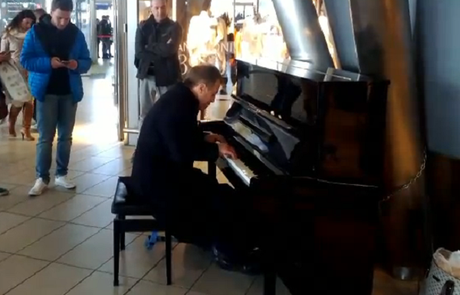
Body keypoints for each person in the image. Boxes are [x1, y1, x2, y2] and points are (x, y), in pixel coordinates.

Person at [131, 65, 262, 272]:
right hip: (157, 186)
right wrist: (216, 149)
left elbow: (180, 134)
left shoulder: (180, 98)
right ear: (201, 88)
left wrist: (205, 137)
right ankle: (230, 254)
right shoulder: (180, 104)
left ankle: (223, 242)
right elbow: (182, 152)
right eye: (213, 92)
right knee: (220, 198)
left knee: (219, 191)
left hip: (161, 174)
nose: (213, 99)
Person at [20, 0, 92, 196]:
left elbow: (87, 60)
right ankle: (41, 177)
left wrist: (77, 64)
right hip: (46, 91)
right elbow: (25, 59)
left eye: (67, 18)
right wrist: (48, 63)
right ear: (51, 13)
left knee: (66, 136)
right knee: (45, 137)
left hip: (69, 92)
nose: (63, 22)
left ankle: (62, 174)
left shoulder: (76, 33)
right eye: (59, 17)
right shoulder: (36, 32)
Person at [134, 0, 182, 129]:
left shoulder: (174, 27)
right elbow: (139, 52)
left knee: (168, 115)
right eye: (156, 8)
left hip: (168, 77)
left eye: (162, 8)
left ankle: (166, 147)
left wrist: (148, 46)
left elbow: (170, 50)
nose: (159, 11)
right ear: (151, 8)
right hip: (146, 75)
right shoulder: (143, 27)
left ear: (167, 7)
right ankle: (143, 147)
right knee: (145, 114)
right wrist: (161, 49)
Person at [1, 10, 36, 140]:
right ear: (20, 20)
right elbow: (2, 53)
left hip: (29, 71)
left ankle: (25, 129)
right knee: (18, 102)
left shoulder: (33, 35)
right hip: (13, 73)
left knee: (29, 101)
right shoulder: (8, 34)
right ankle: (11, 124)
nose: (28, 26)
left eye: (31, 23)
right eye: (26, 22)